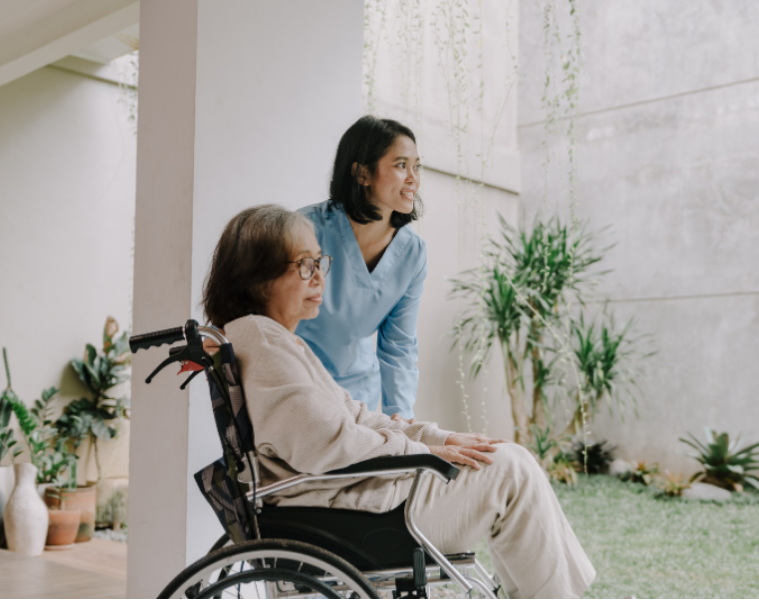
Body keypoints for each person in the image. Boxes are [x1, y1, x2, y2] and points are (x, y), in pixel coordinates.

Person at [201, 205, 597, 599]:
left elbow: (353, 416)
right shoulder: (267, 345)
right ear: (257, 276)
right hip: (354, 512)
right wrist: (426, 449)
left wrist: (436, 437)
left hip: (351, 497)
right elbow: (330, 442)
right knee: (512, 470)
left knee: (507, 460)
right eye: (305, 265)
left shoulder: (268, 339)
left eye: (319, 261)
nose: (320, 275)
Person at [297, 116, 427, 419]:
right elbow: (266, 314)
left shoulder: (412, 253)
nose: (413, 178)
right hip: (299, 388)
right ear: (361, 173)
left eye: (417, 166)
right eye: (400, 165)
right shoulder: (304, 230)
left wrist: (402, 418)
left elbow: (399, 345)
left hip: (358, 401)